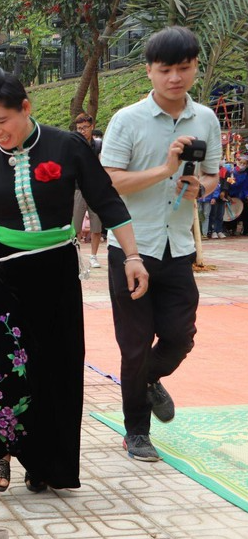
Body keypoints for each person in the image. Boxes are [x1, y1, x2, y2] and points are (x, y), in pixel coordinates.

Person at [0, 58, 147, 492]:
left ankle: (46, 465)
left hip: (57, 270)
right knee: (12, 364)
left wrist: (132, 255)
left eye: (2, 120)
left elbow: (108, 201)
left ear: (25, 107)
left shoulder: (67, 148)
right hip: (6, 273)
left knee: (59, 366)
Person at [101, 26, 222, 461]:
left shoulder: (206, 118)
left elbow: (212, 173)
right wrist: (164, 167)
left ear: (193, 69)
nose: (175, 77)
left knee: (179, 336)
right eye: (165, 69)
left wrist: (199, 186)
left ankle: (147, 380)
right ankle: (137, 431)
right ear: (149, 71)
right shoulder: (126, 120)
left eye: (184, 68)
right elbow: (109, 182)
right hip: (133, 249)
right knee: (134, 345)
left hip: (178, 247)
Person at [72, 113, 104, 268]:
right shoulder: (73, 143)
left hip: (95, 189)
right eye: (79, 128)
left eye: (85, 127)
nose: (82, 131)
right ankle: (76, 255)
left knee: (96, 225)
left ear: (92, 126)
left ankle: (94, 255)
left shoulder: (98, 145)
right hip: (78, 188)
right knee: (75, 225)